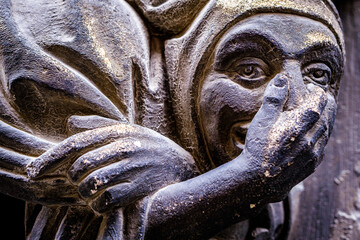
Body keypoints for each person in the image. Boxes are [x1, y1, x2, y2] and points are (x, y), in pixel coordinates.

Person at [0, 0, 344, 239]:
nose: (295, 104)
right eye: (249, 71)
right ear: (189, 73)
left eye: (318, 74)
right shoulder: (88, 32)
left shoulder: (281, 205)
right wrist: (243, 183)